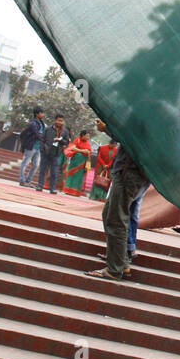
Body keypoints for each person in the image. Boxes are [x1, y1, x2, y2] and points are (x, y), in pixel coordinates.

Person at [87, 119, 150, 281]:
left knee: (116, 218)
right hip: (127, 171)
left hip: (129, 172)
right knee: (109, 214)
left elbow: (129, 137)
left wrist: (106, 129)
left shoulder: (149, 117)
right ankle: (121, 261)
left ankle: (115, 269)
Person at [34, 114, 69, 194]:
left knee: (54, 172)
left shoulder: (64, 131)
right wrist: (42, 149)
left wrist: (60, 141)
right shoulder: (48, 129)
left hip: (56, 154)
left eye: (62, 121)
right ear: (55, 120)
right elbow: (42, 139)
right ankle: (40, 185)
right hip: (46, 152)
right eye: (59, 120)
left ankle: (52, 188)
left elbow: (67, 142)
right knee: (43, 170)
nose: (60, 122)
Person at [18, 108, 45, 186]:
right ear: (37, 114)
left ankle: (28, 180)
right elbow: (36, 134)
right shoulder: (33, 123)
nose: (43, 115)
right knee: (25, 163)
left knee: (36, 165)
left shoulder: (42, 123)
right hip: (31, 145)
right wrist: (44, 139)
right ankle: (22, 180)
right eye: (41, 113)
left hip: (38, 147)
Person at [62, 131, 93, 196]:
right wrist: (82, 151)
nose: (88, 138)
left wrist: (88, 152)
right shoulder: (77, 139)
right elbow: (73, 148)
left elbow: (89, 151)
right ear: (82, 135)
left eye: (88, 136)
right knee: (72, 175)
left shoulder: (87, 143)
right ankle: (68, 190)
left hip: (82, 162)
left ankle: (75, 191)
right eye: (87, 136)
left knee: (79, 177)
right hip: (75, 161)